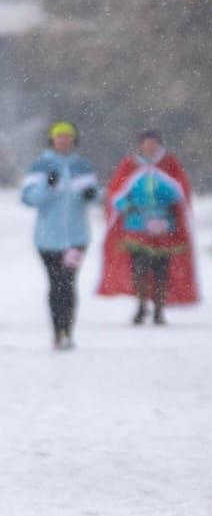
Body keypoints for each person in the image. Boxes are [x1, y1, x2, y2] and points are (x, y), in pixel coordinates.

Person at [98, 129, 199, 323]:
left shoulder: (170, 165)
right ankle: (142, 305)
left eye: (154, 143)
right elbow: (116, 192)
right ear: (140, 145)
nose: (150, 147)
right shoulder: (130, 165)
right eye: (146, 143)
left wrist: (169, 206)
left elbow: (181, 192)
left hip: (164, 227)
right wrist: (127, 206)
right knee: (140, 268)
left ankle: (159, 307)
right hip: (136, 227)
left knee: (162, 269)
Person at [21, 121, 99, 350]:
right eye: (59, 137)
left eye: (68, 137)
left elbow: (94, 196)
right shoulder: (40, 166)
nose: (63, 141)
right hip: (48, 239)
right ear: (52, 140)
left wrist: (90, 194)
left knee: (68, 283)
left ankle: (68, 331)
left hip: (76, 238)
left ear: (74, 140)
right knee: (56, 284)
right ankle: (57, 332)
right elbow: (29, 199)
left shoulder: (82, 166)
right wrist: (48, 185)